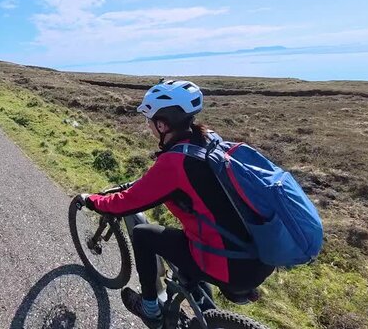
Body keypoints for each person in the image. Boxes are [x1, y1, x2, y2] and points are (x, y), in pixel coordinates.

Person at [72, 80, 275, 328]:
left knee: (142, 234)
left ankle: (150, 310)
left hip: (227, 262)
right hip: (259, 256)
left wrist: (92, 200)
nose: (148, 126)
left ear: (162, 124)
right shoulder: (208, 141)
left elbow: (126, 203)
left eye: (149, 120)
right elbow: (182, 181)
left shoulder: (174, 163)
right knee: (184, 251)